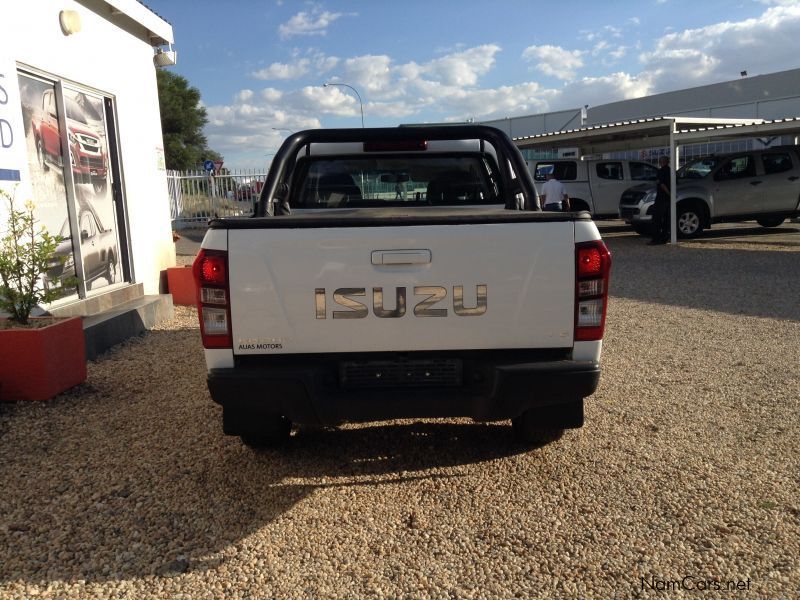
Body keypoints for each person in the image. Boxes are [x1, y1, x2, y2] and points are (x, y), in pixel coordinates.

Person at [649, 155, 671, 245]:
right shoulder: (671, 171)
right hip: (668, 199)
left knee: (656, 219)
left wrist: (668, 193)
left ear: (663, 162)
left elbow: (662, 184)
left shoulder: (661, 171)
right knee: (666, 219)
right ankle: (664, 238)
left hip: (661, 198)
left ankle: (656, 239)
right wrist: (671, 195)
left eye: (660, 161)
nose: (659, 163)